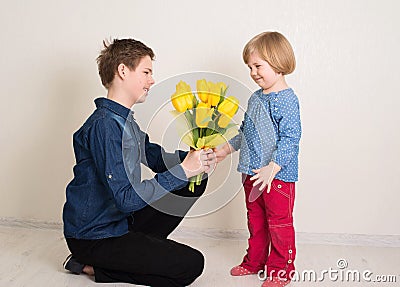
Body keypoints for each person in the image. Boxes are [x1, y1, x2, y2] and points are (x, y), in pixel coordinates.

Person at [62, 38, 216, 287]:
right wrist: (184, 169)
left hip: (120, 222)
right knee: (191, 265)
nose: (152, 80)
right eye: (146, 72)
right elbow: (125, 199)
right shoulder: (105, 125)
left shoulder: (123, 121)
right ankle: (93, 266)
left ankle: (135, 251)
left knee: (194, 180)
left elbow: (154, 156)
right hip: (95, 236)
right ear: (122, 70)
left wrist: (196, 156)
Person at [215, 31, 301, 287]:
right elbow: (246, 131)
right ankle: (254, 261)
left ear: (277, 63)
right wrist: (225, 149)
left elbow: (291, 138)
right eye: (250, 67)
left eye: (258, 66)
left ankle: (281, 270)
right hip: (251, 174)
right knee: (256, 220)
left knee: (279, 223)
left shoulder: (287, 100)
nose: (253, 72)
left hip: (276, 177)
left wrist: (273, 167)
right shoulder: (255, 97)